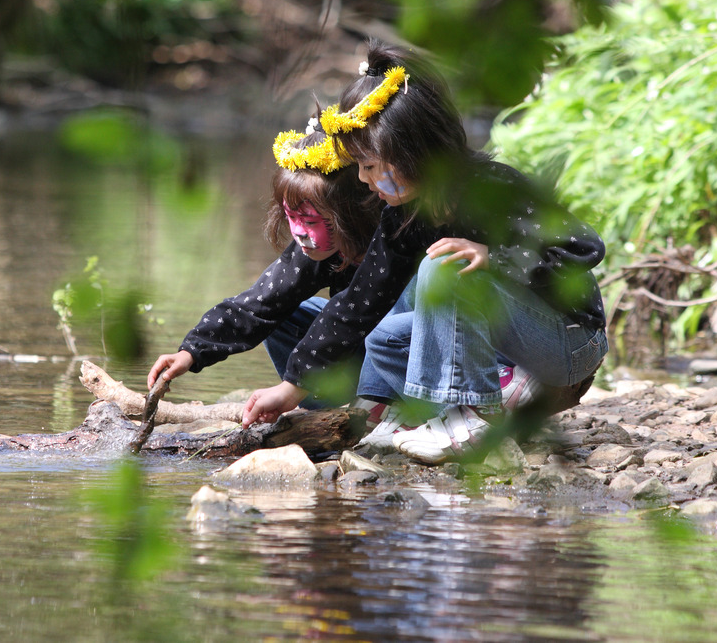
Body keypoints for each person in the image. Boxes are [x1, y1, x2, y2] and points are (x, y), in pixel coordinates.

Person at [242, 40, 607, 465]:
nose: (362, 179)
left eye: (371, 165)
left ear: (413, 153)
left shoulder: (493, 188)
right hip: (505, 342)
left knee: (442, 266)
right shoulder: (404, 216)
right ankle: (427, 411)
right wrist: (291, 388)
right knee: (384, 337)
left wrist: (495, 257)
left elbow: (584, 245)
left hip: (568, 339)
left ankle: (471, 419)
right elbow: (359, 303)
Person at [146, 118, 381, 404]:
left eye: (309, 220)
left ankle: (379, 403)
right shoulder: (316, 251)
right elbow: (257, 304)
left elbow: (353, 319)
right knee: (284, 315)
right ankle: (316, 407)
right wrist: (191, 352)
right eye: (291, 218)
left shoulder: (388, 246)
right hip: (354, 346)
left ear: (348, 214)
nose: (298, 232)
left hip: (396, 353)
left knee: (383, 331)